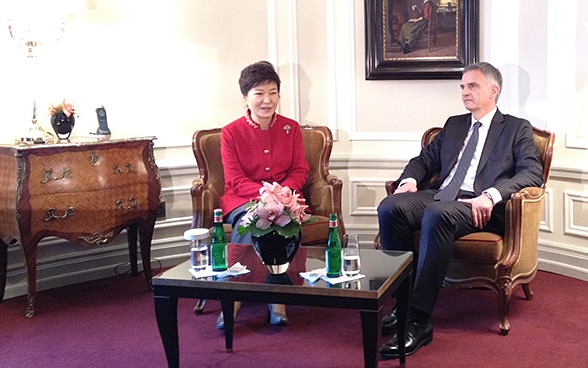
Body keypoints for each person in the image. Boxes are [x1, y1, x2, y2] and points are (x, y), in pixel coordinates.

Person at [377, 62, 544, 359]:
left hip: (479, 205)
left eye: (472, 86)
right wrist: (410, 180)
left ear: (494, 91)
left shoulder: (516, 128)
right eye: (462, 87)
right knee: (390, 207)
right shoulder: (454, 125)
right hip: (442, 195)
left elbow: (532, 174)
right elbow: (424, 159)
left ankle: (418, 320)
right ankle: (401, 302)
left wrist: (491, 196)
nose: (464, 92)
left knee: (437, 214)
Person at [216, 61, 309, 329]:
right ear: (246, 97)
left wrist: (281, 194)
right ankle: (233, 298)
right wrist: (264, 195)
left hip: (285, 197)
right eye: (259, 93)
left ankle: (277, 298)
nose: (267, 100)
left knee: (286, 223)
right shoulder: (230, 132)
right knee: (253, 222)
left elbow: (300, 169)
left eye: (273, 92)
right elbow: (234, 179)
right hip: (243, 199)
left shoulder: (291, 129)